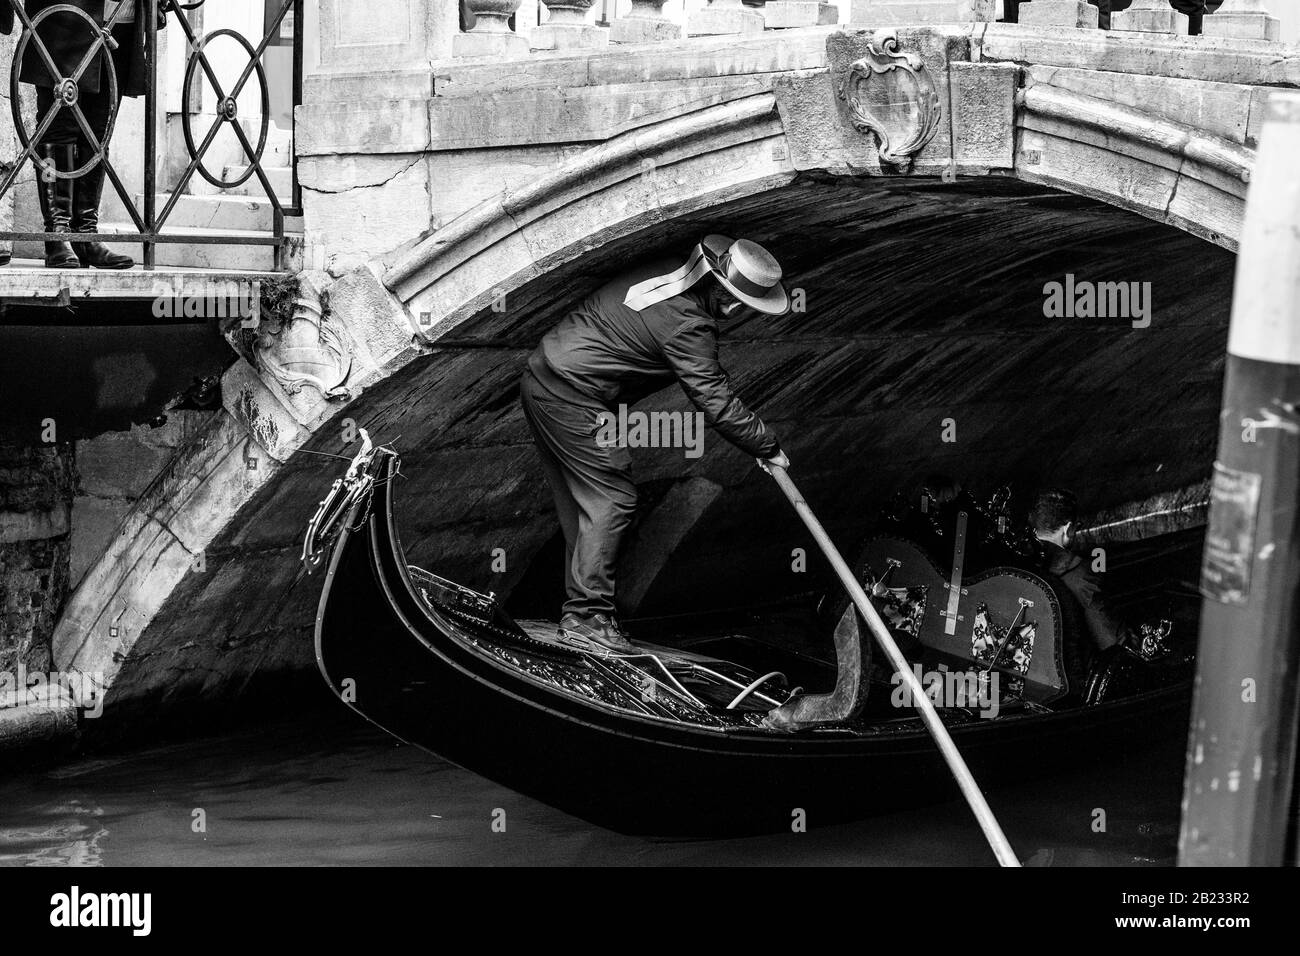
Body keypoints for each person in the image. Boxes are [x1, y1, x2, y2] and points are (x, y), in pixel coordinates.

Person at [520, 235, 789, 652]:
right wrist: (766, 446)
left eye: (744, 305)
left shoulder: (668, 267)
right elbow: (714, 400)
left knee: (584, 506)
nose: (735, 310)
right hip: (572, 395)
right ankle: (587, 621)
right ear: (711, 276)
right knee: (613, 500)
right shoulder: (689, 324)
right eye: (731, 297)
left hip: (543, 377)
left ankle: (581, 615)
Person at [2, 1, 163, 268]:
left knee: (97, 135)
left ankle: (86, 234)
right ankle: (57, 234)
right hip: (65, 16)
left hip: (120, 21)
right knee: (58, 127)